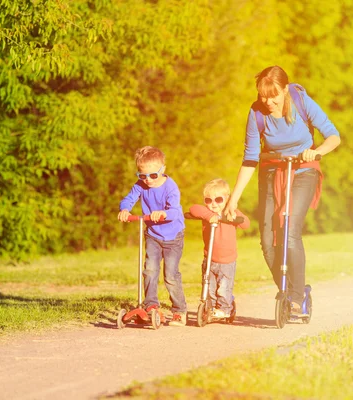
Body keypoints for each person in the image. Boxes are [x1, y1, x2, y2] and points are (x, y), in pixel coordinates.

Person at [223, 65, 341, 315]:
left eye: (273, 95)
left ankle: (298, 299)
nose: (268, 102)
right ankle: (290, 292)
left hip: (303, 171)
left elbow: (333, 136)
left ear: (285, 90)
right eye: (263, 96)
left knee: (289, 230)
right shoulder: (256, 113)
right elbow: (250, 159)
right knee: (267, 241)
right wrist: (233, 199)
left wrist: (316, 151)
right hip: (271, 172)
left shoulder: (301, 101)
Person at [117, 146, 188, 327]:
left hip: (173, 236)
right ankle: (151, 306)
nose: (147, 180)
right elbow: (129, 198)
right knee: (149, 270)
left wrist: (162, 213)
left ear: (162, 170)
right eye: (143, 176)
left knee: (170, 275)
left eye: (152, 176)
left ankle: (179, 310)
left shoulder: (170, 187)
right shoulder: (141, 185)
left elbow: (173, 211)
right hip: (153, 235)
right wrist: (125, 209)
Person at [188, 179, 250, 318]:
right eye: (208, 200)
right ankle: (210, 309)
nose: (213, 204)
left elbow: (246, 224)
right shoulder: (206, 213)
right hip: (209, 259)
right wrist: (209, 215)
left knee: (223, 288)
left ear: (227, 199)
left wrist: (235, 213)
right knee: (208, 287)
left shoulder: (230, 212)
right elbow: (193, 209)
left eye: (218, 199)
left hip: (227, 260)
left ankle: (225, 309)